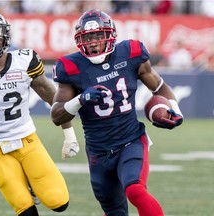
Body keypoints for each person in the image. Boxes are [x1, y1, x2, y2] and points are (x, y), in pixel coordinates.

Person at [51, 9, 183, 216]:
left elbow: (159, 88)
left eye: (97, 36)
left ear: (110, 35)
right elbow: (56, 114)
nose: (93, 42)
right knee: (114, 211)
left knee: (135, 190)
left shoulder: (130, 53)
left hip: (130, 141)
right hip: (98, 152)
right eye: (87, 38)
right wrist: (80, 99)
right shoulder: (70, 67)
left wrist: (174, 110)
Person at [0, 11, 79, 216]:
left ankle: (31, 183)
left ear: (5, 34)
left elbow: (54, 100)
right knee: (25, 210)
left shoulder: (25, 60)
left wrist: (69, 135)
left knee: (59, 202)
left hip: (27, 140)